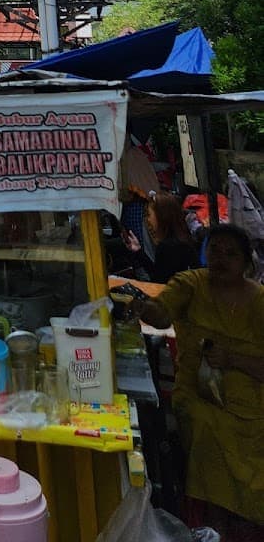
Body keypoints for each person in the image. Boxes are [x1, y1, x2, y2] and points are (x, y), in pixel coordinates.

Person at [138, 225, 264, 540]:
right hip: (198, 395)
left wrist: (233, 359)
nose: (220, 258)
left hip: (253, 400)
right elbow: (162, 314)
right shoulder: (191, 284)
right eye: (215, 250)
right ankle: (212, 524)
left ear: (246, 262)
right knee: (205, 426)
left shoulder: (260, 301)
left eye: (230, 254)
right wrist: (142, 306)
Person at [124, 191, 199, 284]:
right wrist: (138, 251)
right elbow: (158, 272)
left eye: (149, 215)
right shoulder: (185, 239)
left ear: (161, 216)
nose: (148, 220)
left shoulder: (167, 247)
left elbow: (158, 282)